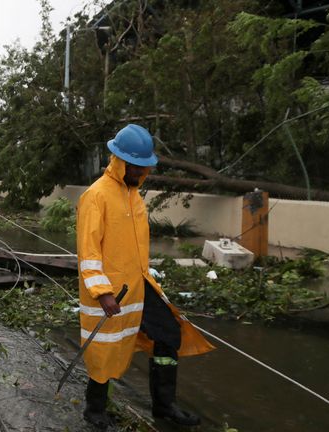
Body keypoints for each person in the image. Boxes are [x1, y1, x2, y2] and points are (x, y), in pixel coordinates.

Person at [76, 124, 215, 429]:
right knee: (105, 346)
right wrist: (103, 291)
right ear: (120, 161)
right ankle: (94, 409)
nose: (141, 174)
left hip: (139, 285)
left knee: (168, 334)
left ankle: (164, 406)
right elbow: (88, 251)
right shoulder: (96, 196)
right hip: (110, 290)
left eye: (144, 169)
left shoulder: (134, 196)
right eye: (136, 168)